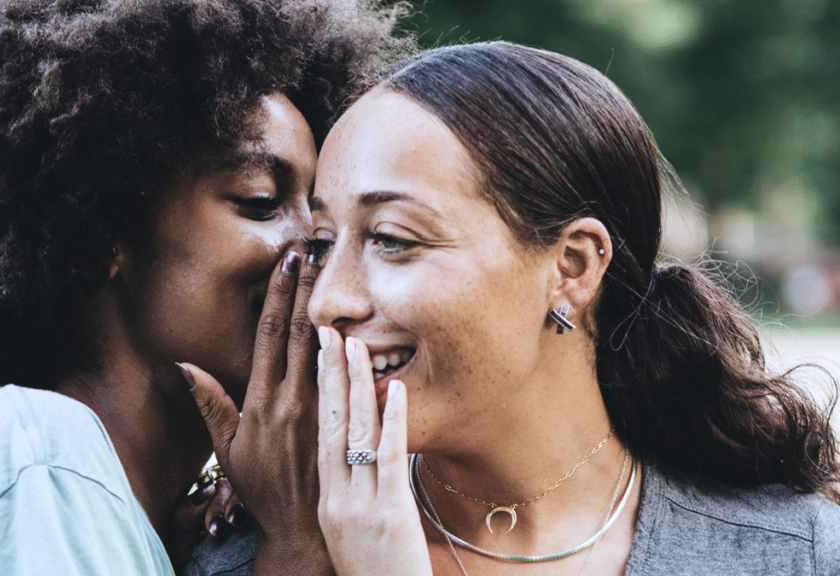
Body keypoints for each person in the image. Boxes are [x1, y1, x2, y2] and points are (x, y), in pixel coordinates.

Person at [187, 40, 840, 575]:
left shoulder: (795, 554)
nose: (327, 301)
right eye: (325, 244)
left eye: (391, 239)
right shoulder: (256, 556)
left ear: (573, 267)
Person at [0, 0, 408, 573]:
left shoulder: (116, 503)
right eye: (260, 201)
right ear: (95, 233)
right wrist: (295, 548)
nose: (316, 250)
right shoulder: (40, 458)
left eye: (318, 219)